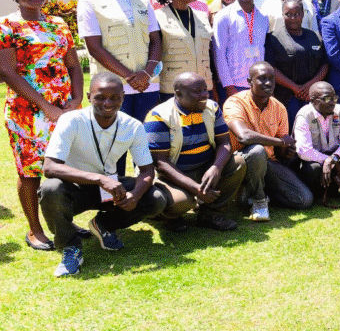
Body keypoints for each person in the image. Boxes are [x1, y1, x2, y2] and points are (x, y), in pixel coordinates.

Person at [39, 73, 168, 277]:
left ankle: (104, 225)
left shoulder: (133, 126)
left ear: (123, 97)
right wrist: (99, 179)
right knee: (50, 188)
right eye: (100, 97)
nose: (107, 103)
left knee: (156, 198)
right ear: (89, 97)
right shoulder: (71, 120)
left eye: (114, 97)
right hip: (75, 187)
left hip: (110, 188)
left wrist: (134, 196)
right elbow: (50, 167)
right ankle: (70, 246)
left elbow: (147, 170)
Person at [0, 0, 84, 251]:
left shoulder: (58, 24)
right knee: (30, 171)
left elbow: (73, 65)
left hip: (64, 109)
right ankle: (35, 229)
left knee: (65, 167)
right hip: (27, 113)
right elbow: (7, 72)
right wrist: (46, 107)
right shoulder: (7, 26)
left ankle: (64, 223)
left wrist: (76, 99)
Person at [78, 0, 162, 174]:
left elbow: (156, 41)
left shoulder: (142, 1)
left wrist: (147, 73)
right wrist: (130, 77)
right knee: (113, 149)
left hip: (147, 86)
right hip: (113, 89)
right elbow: (95, 48)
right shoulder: (89, 1)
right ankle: (114, 193)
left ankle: (144, 191)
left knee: (146, 144)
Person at [145, 72, 245, 232]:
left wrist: (216, 168)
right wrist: (195, 188)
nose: (205, 95)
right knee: (181, 202)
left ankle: (210, 214)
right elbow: (160, 163)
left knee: (238, 163)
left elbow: (225, 143)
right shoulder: (159, 116)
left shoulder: (212, 108)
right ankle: (168, 217)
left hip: (204, 168)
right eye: (197, 92)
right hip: (170, 176)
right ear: (178, 94)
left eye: (205, 89)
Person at [223, 62, 314, 220]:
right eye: (262, 78)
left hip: (268, 163)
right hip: (238, 161)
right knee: (257, 151)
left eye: (271, 79)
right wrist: (281, 142)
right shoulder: (235, 102)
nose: (268, 83)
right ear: (249, 81)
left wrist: (286, 150)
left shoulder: (279, 108)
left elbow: (279, 150)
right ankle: (259, 201)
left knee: (304, 200)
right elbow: (243, 136)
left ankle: (253, 193)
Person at [294, 81, 340, 208]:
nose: (332, 102)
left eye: (334, 98)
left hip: (335, 155)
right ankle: (317, 190)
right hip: (314, 159)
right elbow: (304, 151)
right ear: (313, 100)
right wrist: (328, 160)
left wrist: (333, 159)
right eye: (326, 99)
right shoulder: (304, 115)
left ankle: (333, 187)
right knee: (313, 169)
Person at [150, 0, 216, 102]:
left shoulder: (202, 16)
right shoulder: (157, 17)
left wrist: (213, 86)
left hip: (204, 88)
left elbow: (209, 54)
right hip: (174, 91)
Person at [264, 0, 329, 126]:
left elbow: (324, 65)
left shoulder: (315, 37)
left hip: (313, 95)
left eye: (297, 14)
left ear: (303, 14)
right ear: (282, 15)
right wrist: (295, 88)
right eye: (288, 14)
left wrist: (310, 85)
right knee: (291, 130)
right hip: (287, 97)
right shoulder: (273, 38)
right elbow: (272, 68)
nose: (293, 18)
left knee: (314, 130)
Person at [213, 0, 270, 97]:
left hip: (259, 84)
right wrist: (228, 86)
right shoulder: (224, 16)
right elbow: (219, 54)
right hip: (234, 85)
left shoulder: (263, 17)